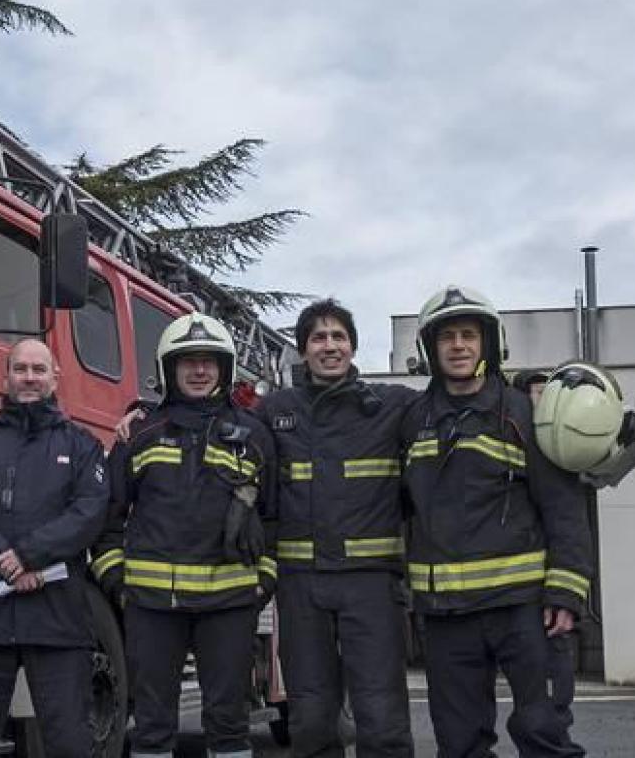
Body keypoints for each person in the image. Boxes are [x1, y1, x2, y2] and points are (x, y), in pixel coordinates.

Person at [402, 287, 593, 757]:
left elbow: (565, 509)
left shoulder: (527, 416)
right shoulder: (411, 422)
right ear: (431, 348)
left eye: (469, 335)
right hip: (447, 616)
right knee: (460, 743)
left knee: (543, 733)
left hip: (524, 611)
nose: (459, 346)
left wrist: (566, 593)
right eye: (447, 337)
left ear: (489, 343)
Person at [94, 312, 278, 758]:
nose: (199, 370)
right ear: (168, 369)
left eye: (209, 362)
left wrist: (263, 580)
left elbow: (276, 517)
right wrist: (120, 582)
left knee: (228, 721)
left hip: (230, 606)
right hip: (153, 607)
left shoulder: (253, 435)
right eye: (188, 361)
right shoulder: (139, 433)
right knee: (152, 725)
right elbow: (107, 518)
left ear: (224, 370)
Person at [254, 298, 415, 758]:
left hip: (372, 586)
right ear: (303, 351)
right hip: (302, 586)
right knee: (311, 717)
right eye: (318, 338)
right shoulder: (275, 410)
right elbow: (222, 427)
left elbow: (453, 407)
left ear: (353, 347)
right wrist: (141, 414)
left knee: (382, 716)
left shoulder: (392, 406)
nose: (330, 346)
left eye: (339, 337)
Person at [0, 338, 110, 758]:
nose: (30, 378)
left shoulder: (82, 446)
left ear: (56, 377)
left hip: (58, 618)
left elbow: (89, 511)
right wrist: (6, 560)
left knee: (70, 743)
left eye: (39, 369)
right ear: (5, 377)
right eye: (21, 369)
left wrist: (29, 556)